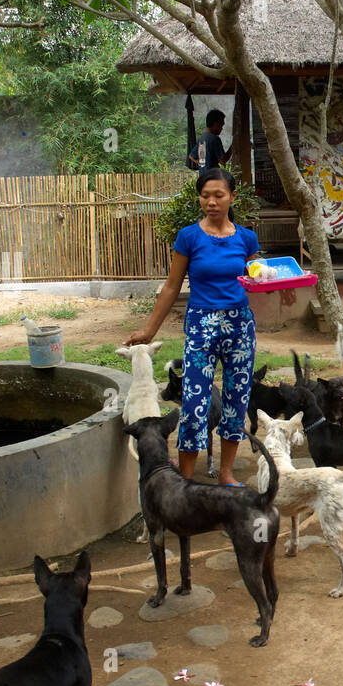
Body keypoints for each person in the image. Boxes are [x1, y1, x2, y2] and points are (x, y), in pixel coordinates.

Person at [125, 167, 291, 485]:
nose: (211, 202)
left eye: (218, 195)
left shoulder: (246, 237)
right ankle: (184, 480)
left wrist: (271, 282)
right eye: (205, 196)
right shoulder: (188, 237)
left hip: (239, 326)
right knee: (194, 403)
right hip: (201, 325)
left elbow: (255, 278)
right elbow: (172, 287)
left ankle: (226, 474)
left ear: (231, 197)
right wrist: (149, 332)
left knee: (236, 399)